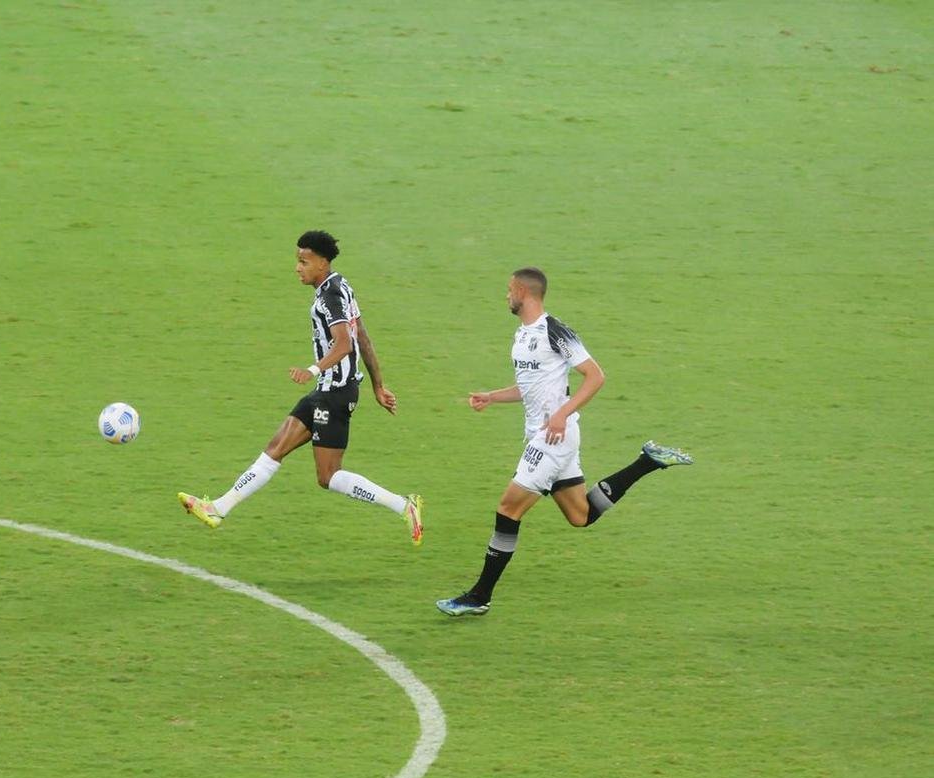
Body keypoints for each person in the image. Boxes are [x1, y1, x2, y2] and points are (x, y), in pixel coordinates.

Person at [436, 267, 692, 616]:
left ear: (524, 292)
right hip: (551, 435)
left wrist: (561, 414)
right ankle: (646, 461)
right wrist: (492, 396)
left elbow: (595, 376)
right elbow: (531, 389)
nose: (506, 295)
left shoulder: (554, 331)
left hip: (553, 437)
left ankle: (480, 596)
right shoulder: (522, 335)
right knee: (580, 515)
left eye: (509, 289)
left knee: (508, 508)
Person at [178, 230, 424, 544]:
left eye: (304, 261)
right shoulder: (341, 284)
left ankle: (405, 506)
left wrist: (313, 369)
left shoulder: (330, 296)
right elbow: (363, 336)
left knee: (329, 476)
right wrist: (378, 385)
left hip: (335, 393)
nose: (298, 267)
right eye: (298, 261)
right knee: (275, 449)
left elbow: (346, 343)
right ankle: (218, 508)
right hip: (330, 390)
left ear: (322, 262)